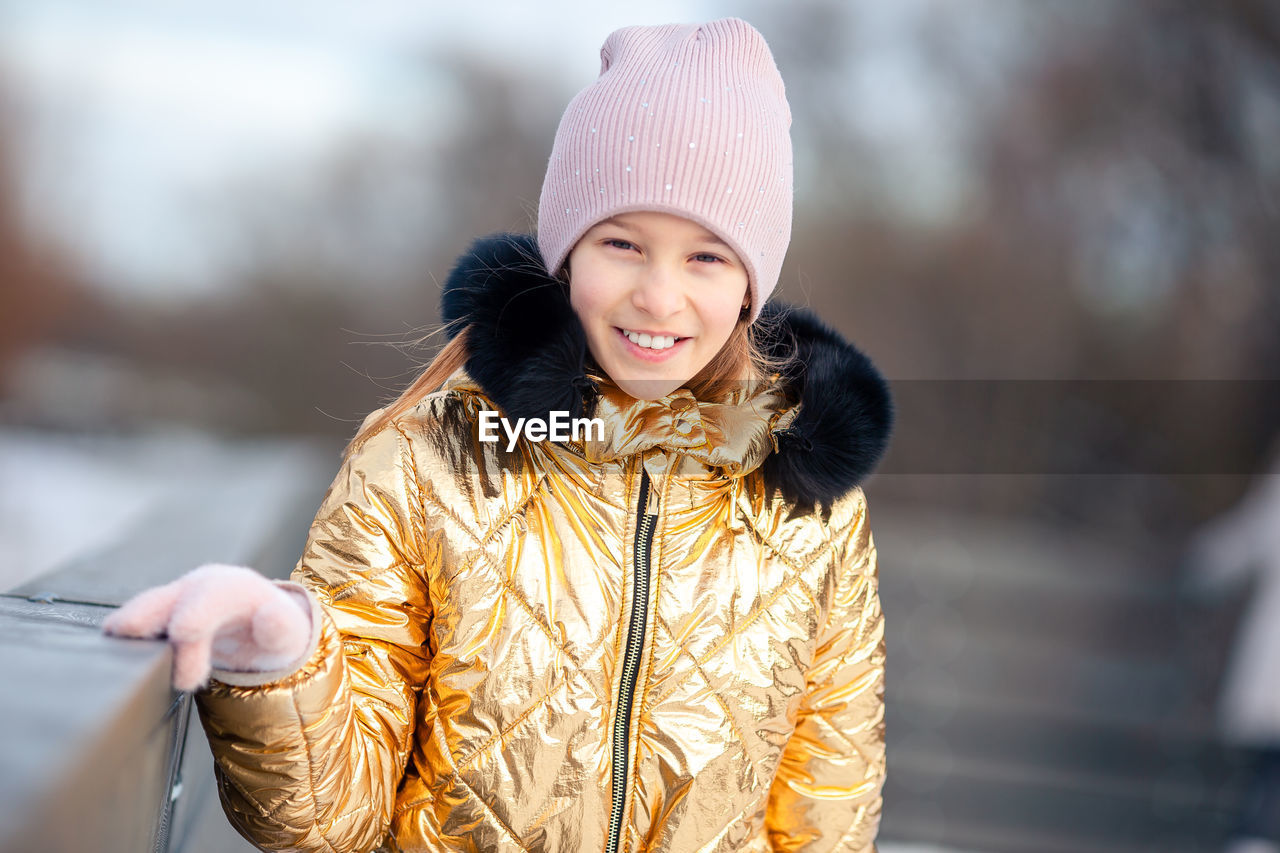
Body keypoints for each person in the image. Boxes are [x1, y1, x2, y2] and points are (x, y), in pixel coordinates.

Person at [102, 18, 894, 853]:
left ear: (748, 287)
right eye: (622, 243)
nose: (660, 297)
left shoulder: (812, 510)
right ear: (567, 256)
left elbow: (829, 805)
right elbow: (330, 819)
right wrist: (281, 659)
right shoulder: (422, 461)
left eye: (706, 257)